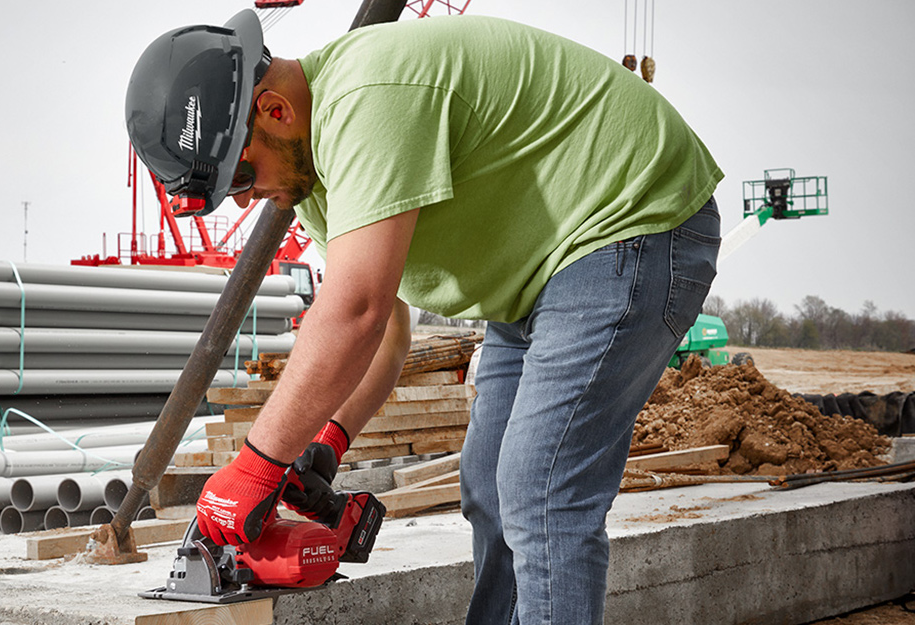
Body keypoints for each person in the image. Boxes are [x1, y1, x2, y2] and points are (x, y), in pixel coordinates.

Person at [126, 9, 722, 624]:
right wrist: (325, 442)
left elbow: (356, 312)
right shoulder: (320, 180)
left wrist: (255, 466)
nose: (246, 199)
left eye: (242, 176)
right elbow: (385, 330)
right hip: (543, 275)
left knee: (539, 487)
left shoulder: (367, 99)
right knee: (490, 486)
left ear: (275, 110)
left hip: (634, 223)